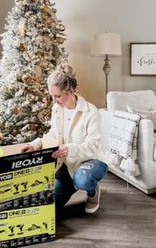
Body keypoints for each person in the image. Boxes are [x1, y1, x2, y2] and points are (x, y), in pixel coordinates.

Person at [21, 67, 108, 214]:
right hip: (67, 165)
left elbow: (94, 145)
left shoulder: (90, 111)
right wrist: (35, 145)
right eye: (52, 96)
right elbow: (53, 134)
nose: (54, 101)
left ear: (71, 91)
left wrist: (69, 148)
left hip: (92, 161)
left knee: (83, 180)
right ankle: (72, 183)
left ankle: (92, 192)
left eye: (58, 96)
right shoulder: (57, 109)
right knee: (50, 206)